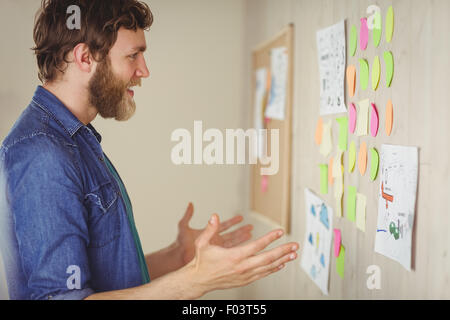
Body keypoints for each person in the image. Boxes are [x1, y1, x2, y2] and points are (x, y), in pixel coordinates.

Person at [0, 0, 299, 300]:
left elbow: (103, 279)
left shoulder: (75, 140)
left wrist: (178, 257)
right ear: (85, 57)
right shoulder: (43, 152)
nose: (144, 70)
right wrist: (194, 281)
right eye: (133, 56)